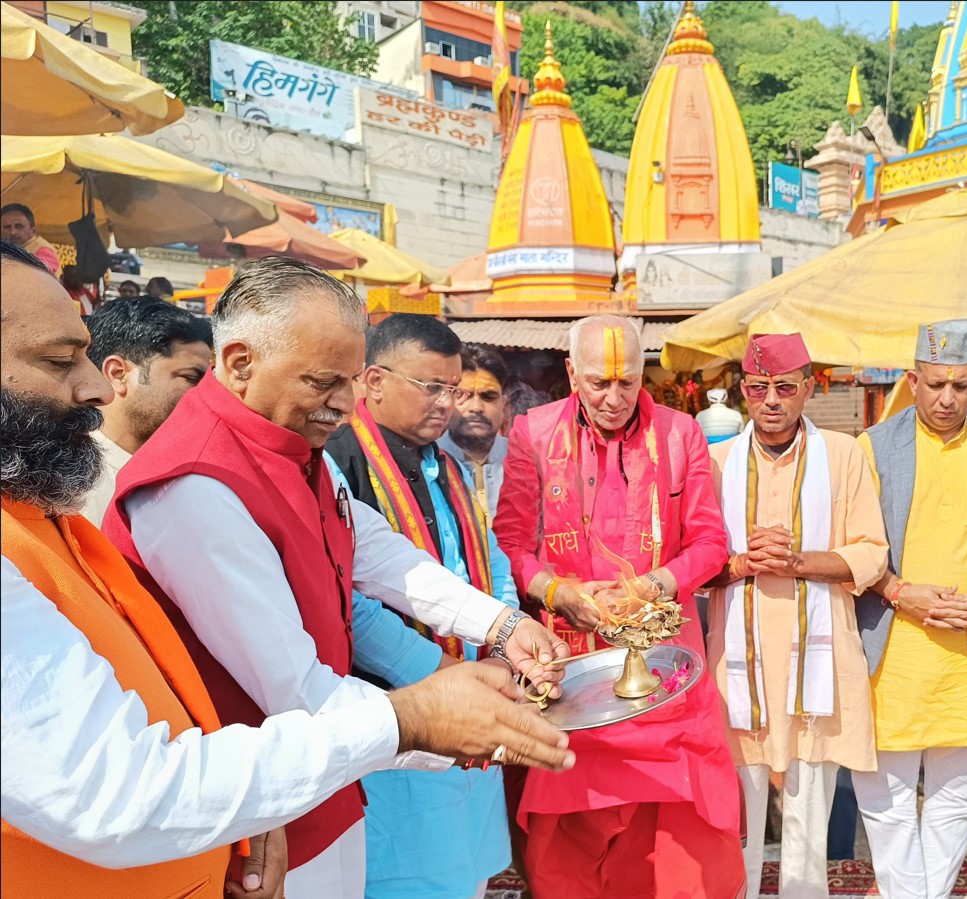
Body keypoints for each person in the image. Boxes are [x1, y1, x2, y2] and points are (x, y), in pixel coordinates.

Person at [0, 238, 574, 899]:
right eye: (322, 382)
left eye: (350, 380)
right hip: (253, 813)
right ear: (241, 362)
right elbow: (291, 688)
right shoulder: (194, 488)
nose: (345, 403)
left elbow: (368, 547)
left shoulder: (296, 443)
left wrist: (498, 623)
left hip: (297, 792)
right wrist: (433, 724)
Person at [495, 313, 745, 899]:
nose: (614, 398)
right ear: (570, 374)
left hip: (664, 671)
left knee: (676, 844)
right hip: (568, 660)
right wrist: (561, 594)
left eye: (627, 383)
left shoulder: (680, 434)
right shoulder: (532, 433)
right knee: (569, 835)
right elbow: (508, 542)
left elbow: (710, 544)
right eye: (598, 383)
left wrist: (652, 585)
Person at [324, 315, 520, 899]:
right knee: (407, 878)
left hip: (475, 683)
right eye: (432, 387)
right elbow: (348, 603)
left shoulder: (448, 462)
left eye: (453, 388)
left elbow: (490, 558)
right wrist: (438, 672)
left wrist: (507, 635)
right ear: (374, 381)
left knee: (469, 872)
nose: (448, 405)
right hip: (402, 704)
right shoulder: (340, 462)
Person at [707, 333, 887, 899]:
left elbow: (872, 553)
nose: (772, 401)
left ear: (809, 387)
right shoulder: (715, 461)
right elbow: (692, 561)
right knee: (735, 810)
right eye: (759, 388)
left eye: (786, 387)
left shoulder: (843, 454)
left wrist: (797, 560)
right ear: (743, 391)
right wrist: (741, 563)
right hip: (736, 662)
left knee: (811, 804)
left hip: (820, 665)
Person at [854, 319, 967, 899]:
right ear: (913, 379)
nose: (947, 398)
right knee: (886, 800)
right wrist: (900, 590)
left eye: (960, 385)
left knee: (964, 797)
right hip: (891, 655)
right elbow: (853, 545)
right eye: (934, 385)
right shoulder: (873, 448)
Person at [80, 296, 213, 526]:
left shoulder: (192, 477)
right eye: (191, 378)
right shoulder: (68, 487)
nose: (205, 395)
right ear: (118, 374)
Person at [439, 343, 510, 527]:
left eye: (488, 396)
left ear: (504, 405)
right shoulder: (429, 460)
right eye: (464, 395)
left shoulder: (522, 461)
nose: (476, 407)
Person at [1, 202, 60, 275]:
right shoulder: (11, 248)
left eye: (19, 226)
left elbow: (37, 276)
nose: (13, 232)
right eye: (7, 227)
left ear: (33, 229)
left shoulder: (43, 251)